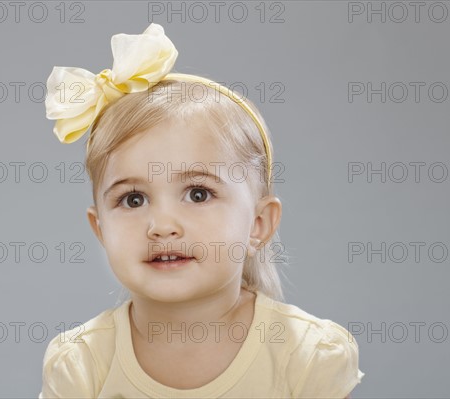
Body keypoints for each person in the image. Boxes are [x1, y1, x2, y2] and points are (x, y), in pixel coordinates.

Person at [39, 23, 364, 398]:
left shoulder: (305, 357)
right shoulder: (83, 363)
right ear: (100, 229)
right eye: (133, 199)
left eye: (197, 194)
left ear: (258, 225)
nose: (161, 226)